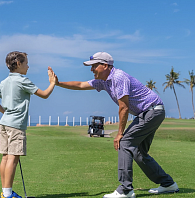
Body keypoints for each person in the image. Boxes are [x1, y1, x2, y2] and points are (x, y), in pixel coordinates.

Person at [52, 52, 179, 198]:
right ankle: (168, 184)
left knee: (124, 143)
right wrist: (58, 83)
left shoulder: (118, 77)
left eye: (94, 66)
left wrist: (119, 133)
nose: (91, 69)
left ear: (105, 65)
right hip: (150, 112)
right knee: (139, 152)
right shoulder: (104, 81)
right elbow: (81, 85)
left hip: (151, 111)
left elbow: (123, 107)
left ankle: (126, 190)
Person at [0, 51, 56, 198]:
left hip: (4, 124)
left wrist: (5, 113)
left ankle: (5, 192)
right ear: (18, 64)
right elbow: (44, 94)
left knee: (5, 157)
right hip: (16, 125)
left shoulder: (4, 82)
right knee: (13, 157)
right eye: (26, 63)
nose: (28, 66)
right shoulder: (23, 80)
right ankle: (7, 194)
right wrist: (52, 83)